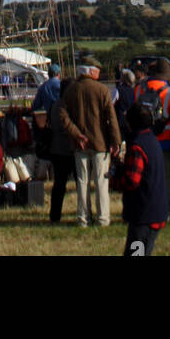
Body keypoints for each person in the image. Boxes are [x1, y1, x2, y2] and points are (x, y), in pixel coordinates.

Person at [59, 54, 121, 227]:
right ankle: (103, 218)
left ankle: (83, 218)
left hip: (79, 144)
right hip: (100, 143)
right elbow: (111, 117)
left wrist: (76, 133)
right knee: (101, 181)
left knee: (82, 181)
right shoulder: (102, 90)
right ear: (92, 72)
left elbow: (63, 116)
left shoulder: (71, 90)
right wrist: (116, 141)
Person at [133, 58, 170, 222]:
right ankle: (168, 211)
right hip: (165, 142)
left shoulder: (139, 90)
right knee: (169, 178)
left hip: (143, 141)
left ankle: (147, 208)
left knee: (146, 178)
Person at [112, 103, 168, 257]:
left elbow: (131, 181)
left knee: (136, 252)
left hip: (144, 214)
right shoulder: (151, 139)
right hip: (154, 210)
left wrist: (114, 182)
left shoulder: (138, 147)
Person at [47, 79, 75, 222]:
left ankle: (55, 214)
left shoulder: (54, 105)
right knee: (81, 182)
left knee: (59, 184)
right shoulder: (70, 105)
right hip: (71, 148)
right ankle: (84, 212)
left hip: (56, 148)